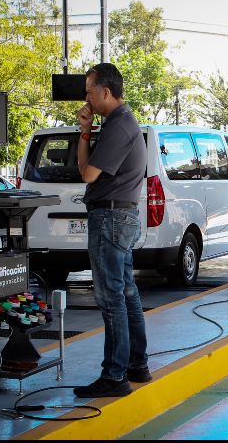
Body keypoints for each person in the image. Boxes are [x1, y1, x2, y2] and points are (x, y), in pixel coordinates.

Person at [73, 63, 151, 398]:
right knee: (127, 293)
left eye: (89, 90)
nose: (86, 97)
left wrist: (89, 134)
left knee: (111, 298)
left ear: (105, 91)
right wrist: (85, 131)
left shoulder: (120, 126)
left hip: (111, 218)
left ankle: (115, 375)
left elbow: (88, 176)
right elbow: (84, 168)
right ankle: (137, 364)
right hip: (117, 217)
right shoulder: (117, 125)